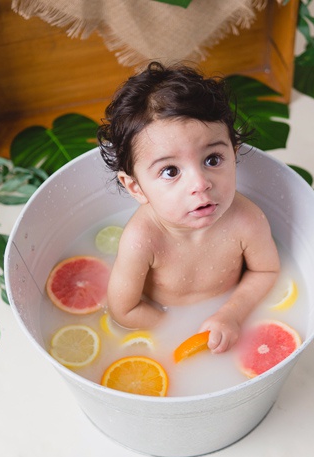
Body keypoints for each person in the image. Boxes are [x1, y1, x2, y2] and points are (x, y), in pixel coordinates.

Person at [97, 62, 280, 354]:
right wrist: (178, 330)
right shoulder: (142, 239)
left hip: (227, 315)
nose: (200, 183)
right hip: (164, 321)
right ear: (136, 187)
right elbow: (125, 309)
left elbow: (266, 271)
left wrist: (232, 314)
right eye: (170, 171)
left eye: (212, 160)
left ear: (233, 153)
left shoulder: (247, 220)